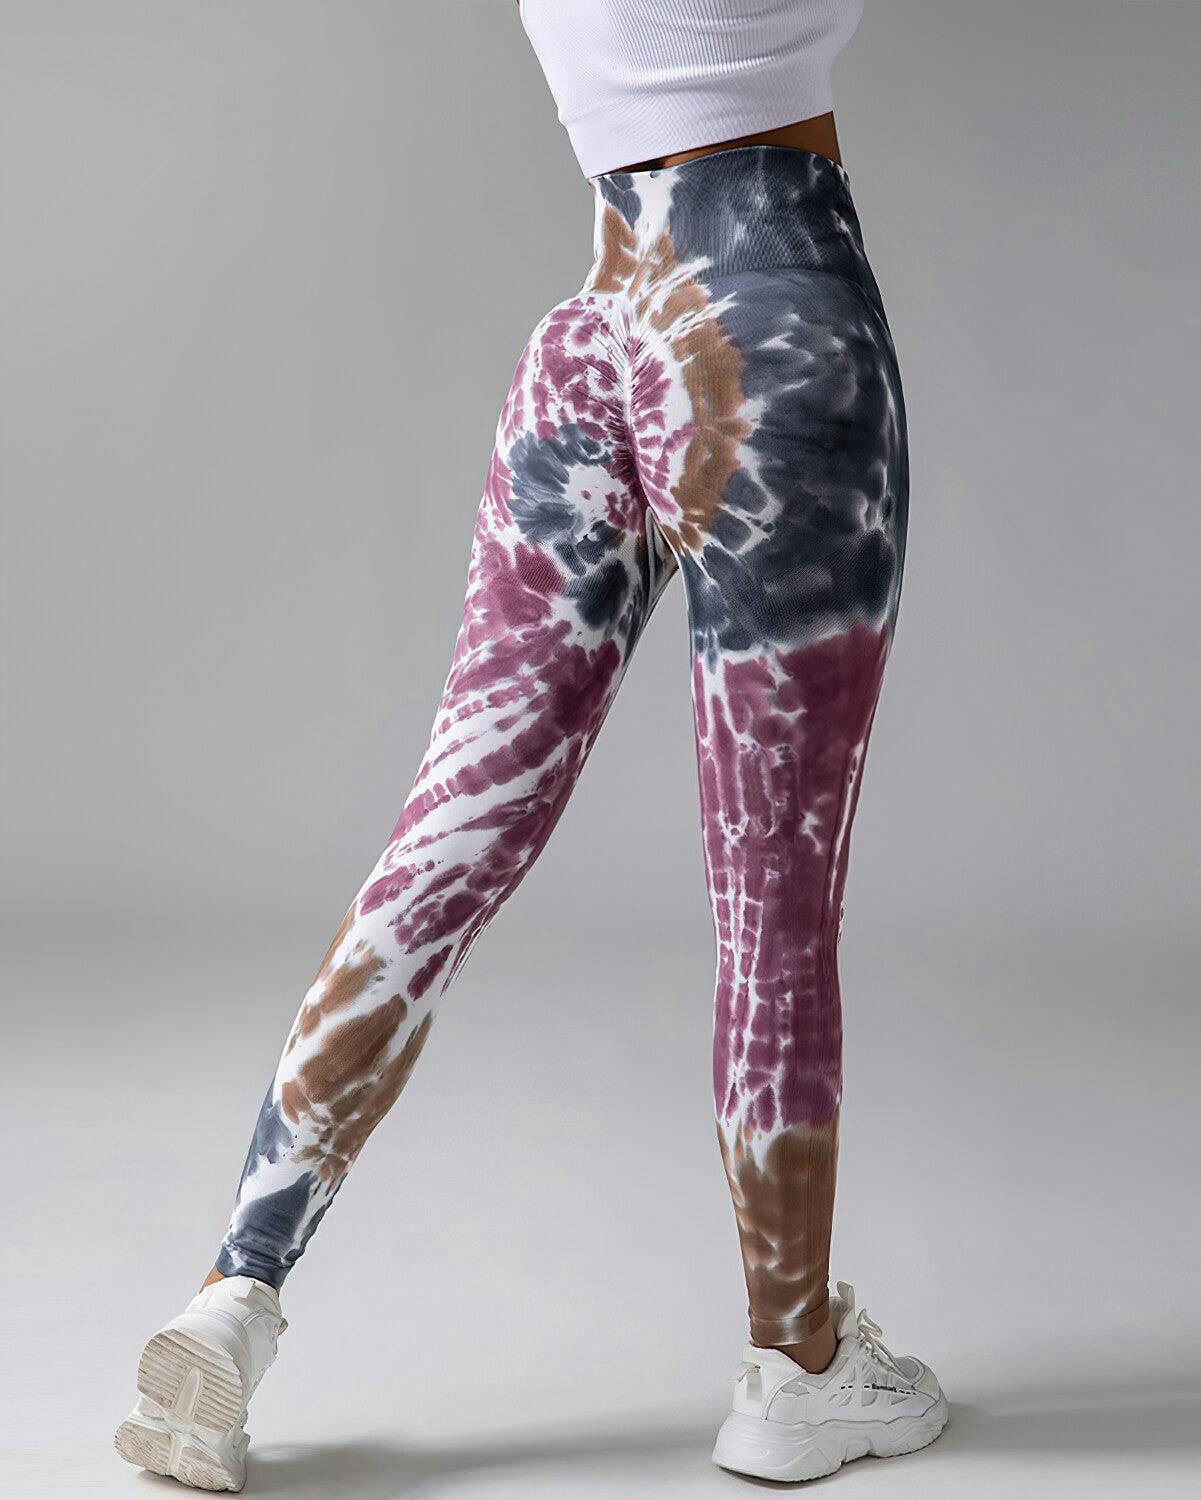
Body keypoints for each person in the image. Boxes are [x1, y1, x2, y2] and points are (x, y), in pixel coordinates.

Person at [115, 1, 946, 1488]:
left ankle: (234, 1295)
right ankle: (798, 1370)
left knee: (448, 835)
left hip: (594, 337)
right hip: (771, 314)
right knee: (775, 887)